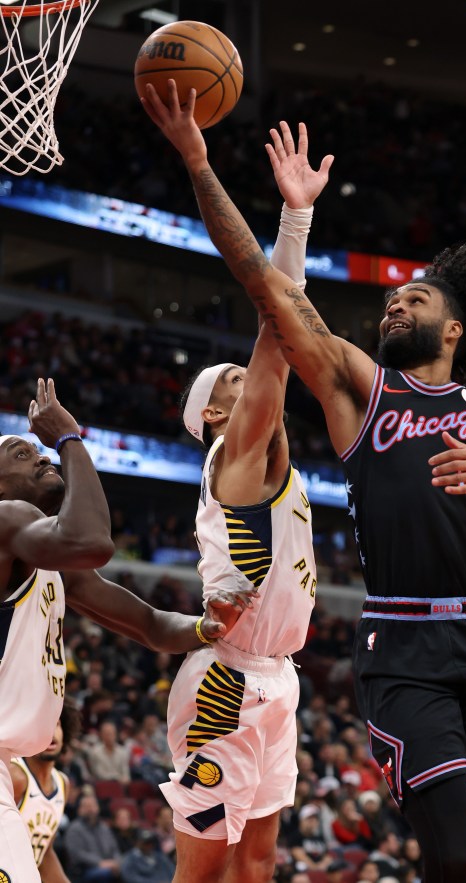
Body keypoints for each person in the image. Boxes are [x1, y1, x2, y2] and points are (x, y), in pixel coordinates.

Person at [143, 80, 466, 883]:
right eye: (393, 296)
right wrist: (201, 163)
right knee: (445, 850)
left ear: (455, 327)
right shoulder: (357, 386)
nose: (397, 301)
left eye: (418, 296)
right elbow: (265, 288)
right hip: (404, 641)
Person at [155, 116, 328, 883]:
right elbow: (274, 322)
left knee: (257, 863)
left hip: (279, 675)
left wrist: (299, 214)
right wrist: (291, 217)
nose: (249, 377)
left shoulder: (267, 457)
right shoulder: (235, 454)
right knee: (203, 869)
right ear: (216, 416)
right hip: (226, 678)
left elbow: (278, 324)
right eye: (233, 380)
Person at [0, 380, 246, 883]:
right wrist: (69, 439)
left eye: (40, 449)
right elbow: (92, 539)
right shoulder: (7, 518)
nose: (40, 457)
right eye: (22, 454)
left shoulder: (45, 558)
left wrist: (205, 627)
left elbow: (150, 624)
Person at [10, 701, 82, 883]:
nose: (50, 732)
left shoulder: (62, 784)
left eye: (56, 724)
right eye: (43, 725)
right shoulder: (15, 775)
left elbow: (44, 854)